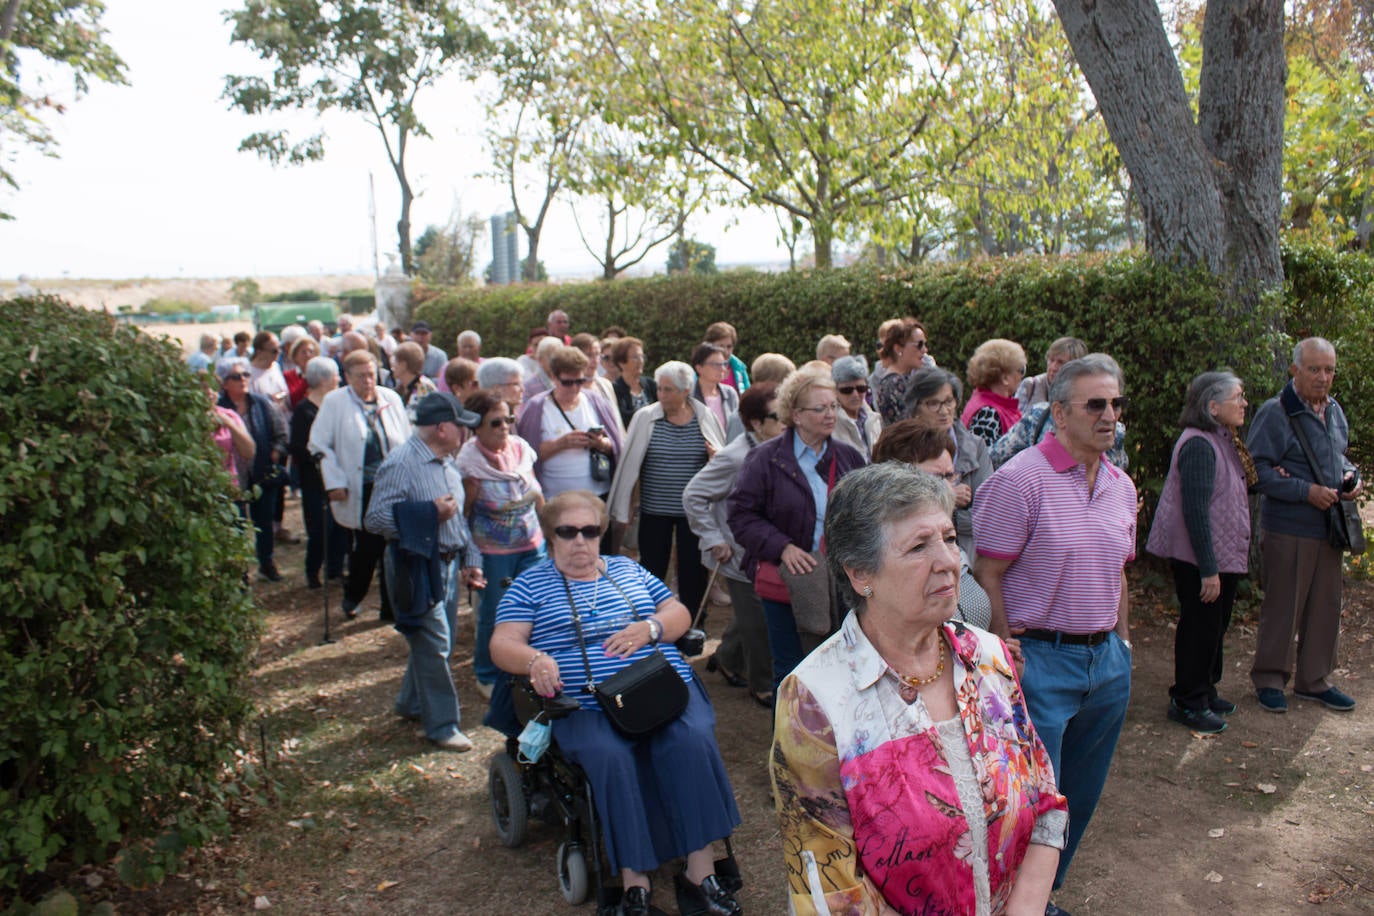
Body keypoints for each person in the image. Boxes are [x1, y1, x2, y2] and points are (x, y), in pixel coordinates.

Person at [772, 462, 1066, 915]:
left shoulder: (988, 657)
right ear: (859, 574)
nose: (950, 561)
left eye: (949, 538)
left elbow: (1044, 800)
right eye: (918, 547)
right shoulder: (815, 698)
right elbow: (830, 890)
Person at [490, 492, 743, 916]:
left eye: (589, 531)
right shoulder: (530, 584)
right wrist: (535, 658)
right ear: (551, 536)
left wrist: (651, 627)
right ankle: (634, 881)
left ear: (601, 533)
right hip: (586, 703)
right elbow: (503, 642)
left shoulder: (628, 570)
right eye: (567, 532)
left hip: (656, 688)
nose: (579, 541)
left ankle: (701, 873)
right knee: (610, 755)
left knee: (690, 740)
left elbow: (677, 612)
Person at [972, 353, 1136, 896]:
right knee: (1034, 801)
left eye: (1116, 403)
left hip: (1106, 664)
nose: (1109, 415)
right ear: (1059, 414)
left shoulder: (1121, 486)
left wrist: (1124, 644)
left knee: (1081, 796)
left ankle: (1042, 897)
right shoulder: (1018, 482)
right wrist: (1003, 648)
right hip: (1038, 662)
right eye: (1096, 404)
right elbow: (987, 572)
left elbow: (1120, 571)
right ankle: (1014, 900)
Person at [727, 368, 865, 691]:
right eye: (820, 408)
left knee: (841, 668)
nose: (830, 414)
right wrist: (783, 547)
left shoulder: (849, 458)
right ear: (796, 415)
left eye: (833, 406)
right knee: (791, 674)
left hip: (841, 580)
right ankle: (786, 741)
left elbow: (866, 513)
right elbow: (741, 516)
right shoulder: (765, 459)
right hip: (786, 582)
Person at [365, 392, 486, 752]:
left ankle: (410, 703)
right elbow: (373, 519)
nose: (467, 433)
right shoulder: (401, 463)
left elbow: (459, 520)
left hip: (447, 567)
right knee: (435, 645)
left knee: (432, 642)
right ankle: (443, 725)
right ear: (442, 428)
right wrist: (429, 514)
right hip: (416, 567)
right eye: (461, 426)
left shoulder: (447, 461)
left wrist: (470, 559)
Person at [1246, 337, 1361, 713]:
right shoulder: (1275, 412)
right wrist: (1304, 490)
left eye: (1329, 370)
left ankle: (1314, 681)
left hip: (1329, 528)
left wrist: (1351, 479)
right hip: (1289, 528)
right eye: (1314, 369)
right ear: (1295, 370)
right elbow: (1255, 471)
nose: (1323, 377)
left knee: (1326, 607)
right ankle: (1270, 679)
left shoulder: (1335, 410)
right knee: (1284, 607)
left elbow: (1340, 458)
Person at [1146, 371, 1255, 733]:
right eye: (1237, 397)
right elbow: (1195, 510)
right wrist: (1209, 569)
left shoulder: (1221, 439)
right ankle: (1188, 700)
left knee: (1214, 626)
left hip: (1220, 555)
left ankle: (1205, 690)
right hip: (1202, 559)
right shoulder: (1198, 444)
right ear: (1212, 406)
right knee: (1200, 628)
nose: (1243, 403)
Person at [683, 383, 782, 708]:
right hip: (739, 555)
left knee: (752, 613)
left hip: (768, 551)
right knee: (759, 621)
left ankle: (725, 657)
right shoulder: (735, 457)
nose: (786, 421)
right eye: (777, 416)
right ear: (756, 423)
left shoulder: (781, 447)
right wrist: (713, 539)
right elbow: (693, 495)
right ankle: (763, 684)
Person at [608, 361, 725, 615]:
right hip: (654, 510)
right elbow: (630, 467)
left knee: (692, 570)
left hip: (692, 513)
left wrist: (714, 457)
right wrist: (626, 506)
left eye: (669, 390)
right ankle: (649, 618)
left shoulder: (704, 417)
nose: (661, 395)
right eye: (660, 389)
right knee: (652, 568)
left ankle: (692, 623)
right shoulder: (646, 417)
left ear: (685, 391)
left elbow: (720, 461)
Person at [456, 388, 546, 701]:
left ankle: (525, 665)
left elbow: (537, 494)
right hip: (493, 552)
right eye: (495, 422)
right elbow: (463, 514)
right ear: (477, 427)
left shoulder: (522, 449)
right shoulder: (468, 464)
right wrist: (468, 560)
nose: (504, 427)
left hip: (532, 545)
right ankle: (487, 673)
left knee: (535, 609)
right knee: (496, 613)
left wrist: (551, 533)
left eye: (508, 419)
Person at [310, 350, 413, 621]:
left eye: (371, 374)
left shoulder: (390, 398)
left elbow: (407, 439)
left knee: (395, 544)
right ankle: (353, 594)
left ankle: (390, 606)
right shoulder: (335, 402)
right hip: (362, 486)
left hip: (394, 487)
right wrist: (334, 481)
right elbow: (319, 445)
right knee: (369, 546)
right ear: (347, 377)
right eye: (360, 376)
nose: (367, 381)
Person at [873, 420, 993, 630]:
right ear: (895, 481)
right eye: (935, 479)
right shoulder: (886, 552)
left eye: (950, 476)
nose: (948, 489)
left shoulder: (948, 533)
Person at [515, 346, 623, 507]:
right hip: (555, 497)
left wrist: (599, 443)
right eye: (567, 383)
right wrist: (561, 444)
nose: (574, 388)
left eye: (580, 381)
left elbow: (615, 444)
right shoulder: (537, 407)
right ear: (553, 377)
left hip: (597, 495)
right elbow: (524, 456)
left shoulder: (595, 401)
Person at [903, 367, 993, 558]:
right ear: (916, 407)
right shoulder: (902, 447)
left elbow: (987, 515)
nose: (944, 411)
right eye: (933, 404)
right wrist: (948, 496)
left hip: (968, 556)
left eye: (949, 402)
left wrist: (945, 510)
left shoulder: (975, 447)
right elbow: (903, 512)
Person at [217, 356, 288, 582]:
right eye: (236, 377)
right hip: (232, 478)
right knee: (236, 525)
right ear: (225, 383)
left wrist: (276, 450)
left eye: (246, 375)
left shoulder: (261, 403)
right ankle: (240, 572)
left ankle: (266, 562)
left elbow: (281, 432)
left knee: (264, 522)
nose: (243, 380)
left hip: (261, 473)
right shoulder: (219, 409)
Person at [289, 356, 348, 589]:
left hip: (338, 477)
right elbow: (297, 447)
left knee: (340, 524)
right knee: (320, 528)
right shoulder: (304, 411)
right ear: (324, 380)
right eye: (335, 375)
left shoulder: (336, 406)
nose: (339, 379)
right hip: (314, 480)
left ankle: (335, 568)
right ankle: (313, 571)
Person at [961, 338, 1027, 447]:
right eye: (1021, 370)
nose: (1021, 377)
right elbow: (983, 459)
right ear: (1005, 378)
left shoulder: (985, 402)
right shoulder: (988, 413)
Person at [875, 318, 931, 425]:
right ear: (898, 349)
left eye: (924, 344)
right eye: (919, 345)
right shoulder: (893, 385)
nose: (925, 350)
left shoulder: (904, 380)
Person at [830, 355, 882, 460]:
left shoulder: (873, 418)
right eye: (847, 390)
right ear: (835, 391)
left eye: (861, 388)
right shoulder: (830, 421)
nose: (855, 394)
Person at [1016, 336, 1087, 412]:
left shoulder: (1083, 393)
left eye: (1061, 362)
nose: (1053, 368)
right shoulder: (1030, 386)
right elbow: (1015, 420)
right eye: (1051, 360)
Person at [691, 343, 739, 433]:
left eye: (724, 364)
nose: (722, 369)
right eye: (715, 364)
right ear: (699, 368)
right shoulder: (689, 396)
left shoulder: (730, 394)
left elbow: (737, 428)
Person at [611, 336, 657, 430]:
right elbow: (622, 419)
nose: (641, 361)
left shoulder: (650, 384)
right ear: (621, 362)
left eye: (642, 356)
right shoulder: (615, 390)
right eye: (635, 357)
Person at [705, 321, 750, 392]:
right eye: (720, 346)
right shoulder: (702, 369)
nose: (725, 351)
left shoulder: (740, 369)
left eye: (729, 347)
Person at [391, 341, 438, 407]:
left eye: (395, 361)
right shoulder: (400, 388)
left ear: (404, 365)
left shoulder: (423, 387)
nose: (392, 366)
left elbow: (414, 415)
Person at [283, 336, 320, 408]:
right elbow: (293, 400)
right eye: (303, 352)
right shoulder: (288, 375)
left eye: (311, 352)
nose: (308, 355)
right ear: (295, 356)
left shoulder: (322, 374)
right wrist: (306, 379)